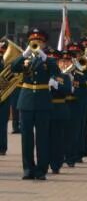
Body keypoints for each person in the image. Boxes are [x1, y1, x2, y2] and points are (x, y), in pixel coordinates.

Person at [10, 29, 57, 180]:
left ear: (44, 44)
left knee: (42, 137)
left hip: (43, 101)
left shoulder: (48, 59)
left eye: (39, 42)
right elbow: (13, 67)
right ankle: (28, 169)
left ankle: (41, 169)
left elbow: (55, 71)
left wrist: (43, 57)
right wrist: (24, 53)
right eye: (33, 42)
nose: (36, 44)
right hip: (27, 100)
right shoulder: (25, 58)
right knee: (27, 138)